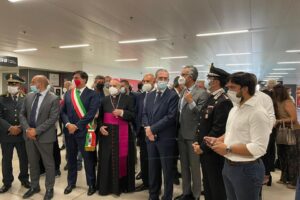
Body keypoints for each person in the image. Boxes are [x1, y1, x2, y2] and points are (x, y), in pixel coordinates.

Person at [206, 72, 270, 200]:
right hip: (229, 165)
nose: (228, 90)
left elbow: (259, 148)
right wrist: (219, 139)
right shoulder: (235, 108)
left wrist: (228, 148)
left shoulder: (257, 112)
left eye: (232, 87)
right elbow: (232, 131)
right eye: (228, 87)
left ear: (245, 88)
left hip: (247, 169)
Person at [193, 65, 233, 200]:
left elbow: (218, 130)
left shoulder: (223, 101)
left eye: (210, 78)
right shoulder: (212, 97)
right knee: (208, 185)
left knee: (216, 186)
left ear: (216, 81)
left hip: (213, 151)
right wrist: (197, 142)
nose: (208, 81)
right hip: (205, 149)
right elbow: (202, 123)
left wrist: (202, 147)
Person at [19, 75, 60, 200]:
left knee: (48, 163)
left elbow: (53, 118)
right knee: (33, 163)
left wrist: (36, 131)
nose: (31, 84)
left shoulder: (53, 98)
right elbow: (22, 114)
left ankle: (49, 188)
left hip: (45, 137)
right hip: (29, 136)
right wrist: (27, 129)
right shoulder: (29, 96)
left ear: (40, 83)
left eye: (33, 82)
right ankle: (34, 186)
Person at [61, 71, 99, 196]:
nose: (74, 80)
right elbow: (63, 112)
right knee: (71, 159)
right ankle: (71, 183)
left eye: (76, 78)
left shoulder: (93, 94)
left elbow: (91, 113)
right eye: (73, 78)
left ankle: (91, 184)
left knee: (89, 159)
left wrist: (77, 126)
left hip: (87, 132)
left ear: (84, 80)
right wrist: (68, 124)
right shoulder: (68, 94)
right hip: (70, 133)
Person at [143, 69, 179, 200]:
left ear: (168, 80)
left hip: (165, 138)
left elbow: (170, 117)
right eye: (160, 78)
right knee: (153, 169)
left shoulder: (173, 95)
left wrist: (152, 129)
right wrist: (148, 128)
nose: (163, 80)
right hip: (150, 138)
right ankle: (153, 195)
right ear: (156, 79)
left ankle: (167, 196)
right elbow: (144, 113)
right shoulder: (150, 95)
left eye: (166, 78)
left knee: (167, 170)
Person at [97, 79, 136, 195]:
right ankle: (106, 187)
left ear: (120, 87)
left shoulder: (128, 99)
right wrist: (100, 127)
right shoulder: (104, 99)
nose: (112, 87)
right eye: (110, 85)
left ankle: (123, 186)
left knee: (122, 159)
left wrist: (122, 113)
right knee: (107, 159)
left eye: (115, 85)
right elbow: (99, 117)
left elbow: (133, 115)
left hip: (123, 134)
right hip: (107, 135)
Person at [175, 66, 209, 200]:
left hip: (193, 135)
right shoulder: (182, 90)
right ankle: (186, 192)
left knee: (194, 167)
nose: (181, 76)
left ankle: (195, 195)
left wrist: (191, 102)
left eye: (183, 74)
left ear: (191, 77)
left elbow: (201, 114)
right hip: (181, 133)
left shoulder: (202, 93)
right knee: (183, 165)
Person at [0, 74, 30, 193]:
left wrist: (21, 127)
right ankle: (7, 182)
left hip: (22, 135)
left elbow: (29, 116)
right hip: (6, 135)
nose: (11, 86)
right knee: (6, 160)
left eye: (14, 84)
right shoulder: (1, 98)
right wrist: (9, 127)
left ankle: (24, 179)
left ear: (19, 85)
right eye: (9, 84)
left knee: (24, 158)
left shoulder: (26, 98)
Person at [273, 84, 299, 189]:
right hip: (282, 132)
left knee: (292, 157)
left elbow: (293, 118)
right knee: (282, 156)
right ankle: (284, 178)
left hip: (293, 132)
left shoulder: (287, 102)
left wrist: (279, 121)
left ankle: (293, 181)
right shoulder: (277, 103)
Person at [135, 73, 156, 191]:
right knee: (143, 157)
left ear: (154, 82)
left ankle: (154, 185)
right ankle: (146, 182)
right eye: (144, 81)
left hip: (153, 131)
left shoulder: (158, 96)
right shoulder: (140, 96)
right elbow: (137, 112)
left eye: (148, 81)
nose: (146, 83)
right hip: (142, 132)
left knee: (153, 159)